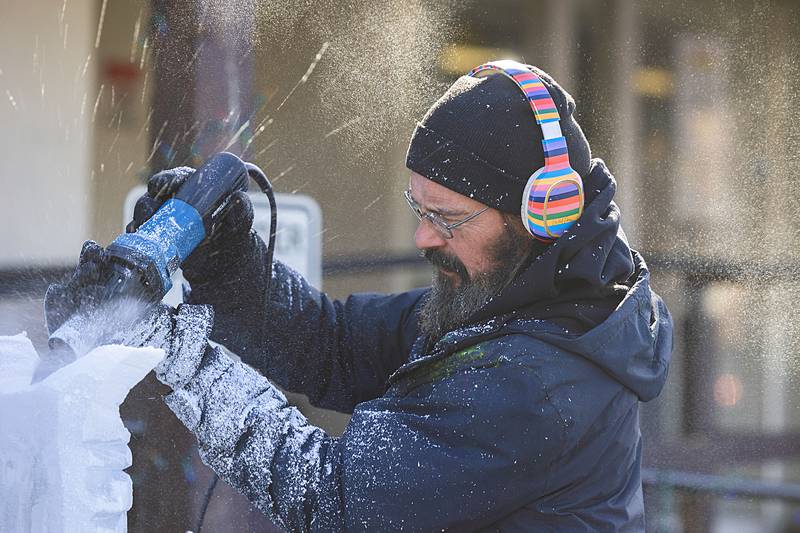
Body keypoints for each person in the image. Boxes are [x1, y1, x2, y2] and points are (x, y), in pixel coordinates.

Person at [47, 62, 673, 531]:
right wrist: (228, 261)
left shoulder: (538, 382)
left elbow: (334, 498)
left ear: (542, 216)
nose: (425, 237)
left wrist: (179, 357)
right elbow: (334, 347)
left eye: (448, 219)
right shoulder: (505, 302)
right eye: (418, 208)